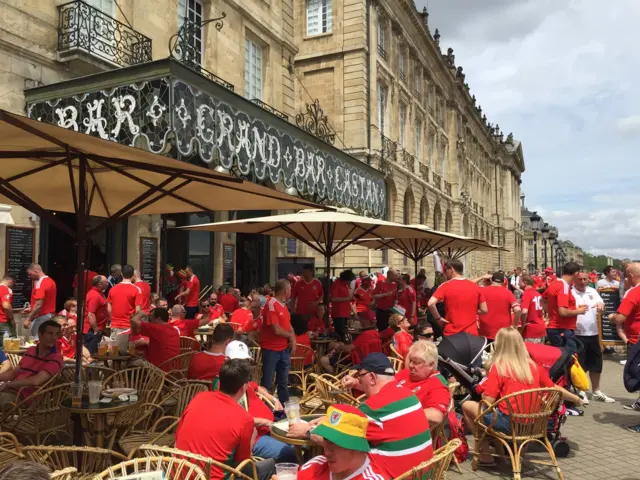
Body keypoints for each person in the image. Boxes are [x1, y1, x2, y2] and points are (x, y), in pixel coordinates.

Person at [289, 353, 433, 478]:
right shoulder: (408, 394)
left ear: (371, 377)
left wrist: (306, 432)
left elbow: (340, 440)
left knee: (340, 457)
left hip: (392, 475)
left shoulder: (375, 408)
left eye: (360, 375)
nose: (359, 380)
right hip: (421, 473)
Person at [461, 327, 583, 464]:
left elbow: (487, 401)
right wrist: (577, 399)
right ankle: (500, 451)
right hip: (534, 424)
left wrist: (484, 389)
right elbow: (554, 388)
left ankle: (484, 453)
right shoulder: (533, 366)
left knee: (469, 406)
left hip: (509, 424)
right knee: (496, 412)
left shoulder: (500, 367)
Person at [176, 359, 276, 480]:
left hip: (180, 473)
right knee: (272, 465)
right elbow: (242, 463)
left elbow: (178, 435)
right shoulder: (244, 419)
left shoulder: (199, 397)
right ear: (244, 387)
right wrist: (252, 437)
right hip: (213, 477)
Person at [295, 404, 390, 480]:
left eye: (337, 443)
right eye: (326, 440)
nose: (327, 452)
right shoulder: (316, 465)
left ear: (357, 446)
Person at [572, 271, 614, 403]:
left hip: (593, 333)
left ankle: (596, 391)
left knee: (596, 364)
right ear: (575, 280)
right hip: (577, 334)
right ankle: (581, 391)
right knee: (580, 364)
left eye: (585, 279)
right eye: (580, 279)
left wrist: (601, 306)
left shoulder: (592, 291)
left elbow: (601, 304)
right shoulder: (570, 292)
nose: (583, 282)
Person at [0, 320, 63, 404]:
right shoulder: (30, 350)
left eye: (56, 334)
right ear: (40, 335)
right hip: (11, 393)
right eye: (50, 333)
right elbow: (12, 374)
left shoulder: (56, 358)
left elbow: (35, 381)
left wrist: (8, 384)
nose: (54, 337)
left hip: (27, 399)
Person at [609, 262, 640, 426]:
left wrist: (611, 317)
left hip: (637, 341)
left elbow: (620, 317)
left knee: (633, 377)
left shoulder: (633, 292)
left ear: (629, 277)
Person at [396, 340, 451, 428]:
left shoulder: (436, 384)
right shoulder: (405, 373)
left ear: (431, 365)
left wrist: (397, 414)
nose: (410, 365)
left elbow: (436, 416)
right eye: (410, 360)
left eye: (416, 362)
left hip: (409, 429)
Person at [427, 259, 487, 336]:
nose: (445, 273)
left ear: (451, 269)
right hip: (471, 333)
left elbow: (430, 303)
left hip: (452, 332)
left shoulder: (445, 286)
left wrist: (438, 318)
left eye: (445, 270)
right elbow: (484, 310)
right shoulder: (475, 286)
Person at [260, 279, 295, 403]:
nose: (291, 291)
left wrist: (293, 338)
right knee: (267, 382)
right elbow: (276, 329)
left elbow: (287, 325)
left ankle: (285, 407)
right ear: (285, 291)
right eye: (290, 289)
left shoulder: (283, 305)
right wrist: (290, 336)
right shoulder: (271, 304)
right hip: (271, 349)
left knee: (283, 382)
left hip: (283, 349)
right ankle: (265, 407)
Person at [543, 262, 586, 350]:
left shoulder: (555, 283)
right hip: (562, 328)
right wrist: (580, 311)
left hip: (555, 328)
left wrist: (551, 313)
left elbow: (543, 299)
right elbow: (563, 312)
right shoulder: (564, 287)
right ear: (576, 274)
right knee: (569, 359)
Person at [477, 272, 520, 341]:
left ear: (491, 280)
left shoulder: (482, 291)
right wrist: (515, 325)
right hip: (503, 330)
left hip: (485, 330)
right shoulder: (508, 292)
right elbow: (517, 309)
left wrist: (482, 277)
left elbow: (468, 285)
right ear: (503, 282)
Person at [107, 264, 142, 339]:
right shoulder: (136, 289)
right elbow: (138, 311)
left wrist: (112, 320)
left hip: (115, 325)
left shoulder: (112, 289)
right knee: (128, 349)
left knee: (114, 349)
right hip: (129, 326)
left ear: (121, 274)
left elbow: (109, 309)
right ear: (133, 275)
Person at [23, 264, 57, 340]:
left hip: (41, 316)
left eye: (30, 274)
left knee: (37, 339)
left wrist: (28, 319)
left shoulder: (40, 283)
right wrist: (31, 308)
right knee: (47, 339)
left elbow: (39, 304)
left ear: (36, 271)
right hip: (50, 315)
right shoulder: (51, 281)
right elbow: (47, 300)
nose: (29, 277)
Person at [518, 274, 546, 343]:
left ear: (525, 283)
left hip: (531, 330)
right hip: (541, 328)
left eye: (519, 282)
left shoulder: (527, 294)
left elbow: (524, 312)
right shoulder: (538, 294)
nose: (518, 284)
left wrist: (523, 326)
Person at [331, 270, 355, 342]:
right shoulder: (336, 284)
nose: (350, 282)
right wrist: (347, 298)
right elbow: (333, 298)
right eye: (349, 280)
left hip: (344, 313)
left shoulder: (345, 285)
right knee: (340, 333)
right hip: (339, 313)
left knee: (344, 333)